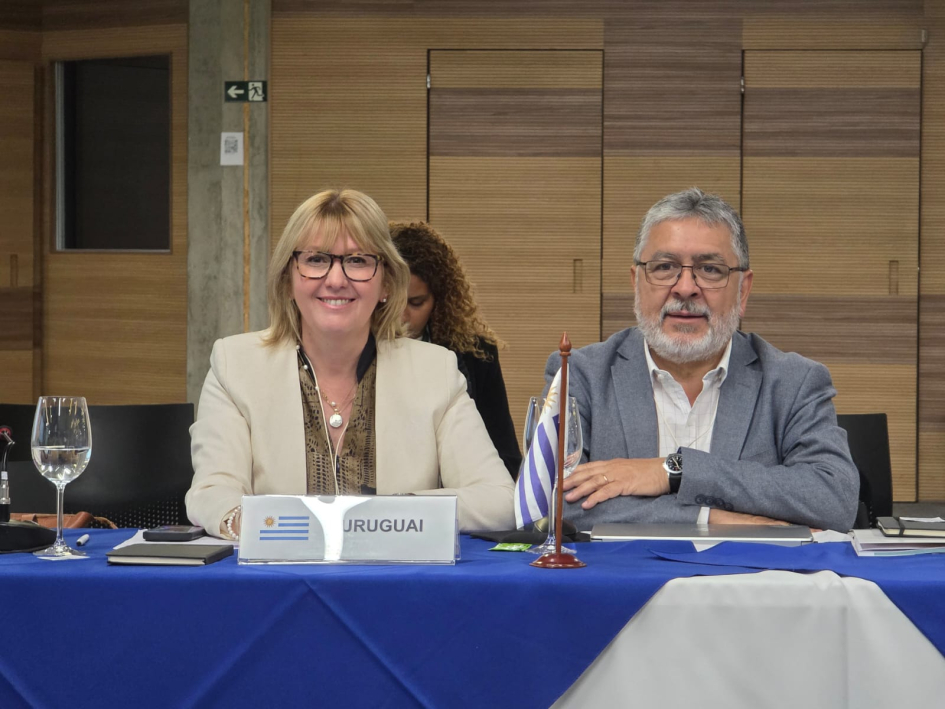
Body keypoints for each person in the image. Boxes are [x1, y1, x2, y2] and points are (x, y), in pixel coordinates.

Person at [187, 189, 515, 538]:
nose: (336, 279)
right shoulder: (235, 366)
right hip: (275, 585)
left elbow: (498, 500)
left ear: (387, 283)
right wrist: (259, 526)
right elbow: (212, 494)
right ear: (288, 279)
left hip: (398, 586)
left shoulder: (436, 371)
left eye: (358, 260)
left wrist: (378, 517)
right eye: (315, 259)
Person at [544, 187, 858, 532]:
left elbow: (834, 498)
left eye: (710, 270)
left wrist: (673, 471)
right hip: (627, 581)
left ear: (743, 290)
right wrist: (709, 518)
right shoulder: (581, 375)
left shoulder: (794, 381)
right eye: (664, 267)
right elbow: (552, 502)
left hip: (751, 582)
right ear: (636, 283)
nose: (685, 288)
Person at [390, 221, 522, 478]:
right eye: (390, 302)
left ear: (439, 300)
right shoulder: (352, 353)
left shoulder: (476, 355)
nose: (401, 316)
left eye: (416, 303)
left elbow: (506, 460)